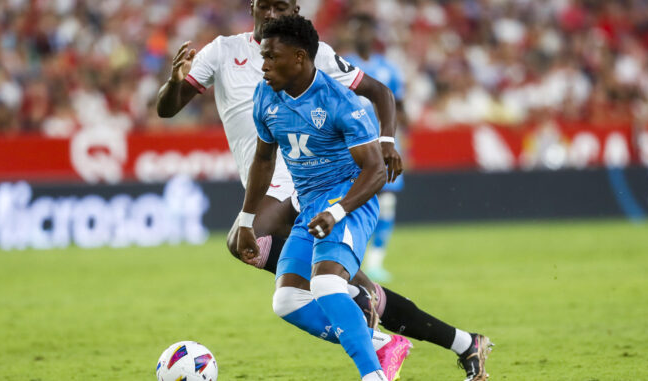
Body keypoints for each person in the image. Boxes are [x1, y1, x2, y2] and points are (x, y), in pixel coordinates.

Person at [157, 1, 493, 380]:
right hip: (273, 179)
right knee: (315, 290)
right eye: (264, 5)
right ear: (251, 6)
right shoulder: (225, 54)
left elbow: (379, 92)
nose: (270, 13)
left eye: (280, 6)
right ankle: (459, 342)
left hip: (310, 182)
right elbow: (168, 111)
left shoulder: (316, 61)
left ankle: (367, 333)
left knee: (258, 248)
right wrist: (174, 81)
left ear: (295, 13)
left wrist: (384, 140)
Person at [237, 15, 405, 380]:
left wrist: (339, 212)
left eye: (271, 57)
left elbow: (375, 171)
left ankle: (372, 375)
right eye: (262, 56)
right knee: (286, 301)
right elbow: (263, 159)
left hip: (349, 200)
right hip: (310, 204)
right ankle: (378, 344)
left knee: (326, 283)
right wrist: (247, 220)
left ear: (299, 58)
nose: (262, 66)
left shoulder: (341, 102)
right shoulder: (265, 94)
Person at [344, 14, 407, 283]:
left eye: (366, 30)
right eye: (357, 30)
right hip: (353, 146)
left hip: (385, 142)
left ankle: (376, 262)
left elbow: (399, 107)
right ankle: (350, 259)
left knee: (388, 202)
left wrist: (400, 138)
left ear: (373, 34)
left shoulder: (389, 69)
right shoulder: (343, 64)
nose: (362, 35)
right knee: (351, 202)